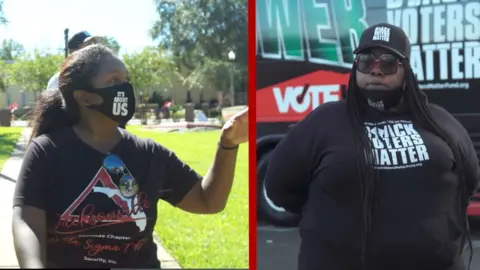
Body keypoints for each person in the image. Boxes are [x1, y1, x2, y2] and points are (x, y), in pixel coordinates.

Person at [12, 44, 248, 268]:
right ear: (84, 97)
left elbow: (208, 202)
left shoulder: (150, 154)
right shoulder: (48, 151)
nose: (125, 88)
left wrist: (227, 145)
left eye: (126, 80)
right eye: (114, 80)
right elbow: (26, 222)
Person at [265, 23, 479, 270]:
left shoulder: (440, 121)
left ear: (405, 71)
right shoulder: (322, 122)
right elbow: (278, 185)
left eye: (388, 62)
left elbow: (468, 182)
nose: (376, 71)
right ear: (356, 67)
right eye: (366, 61)